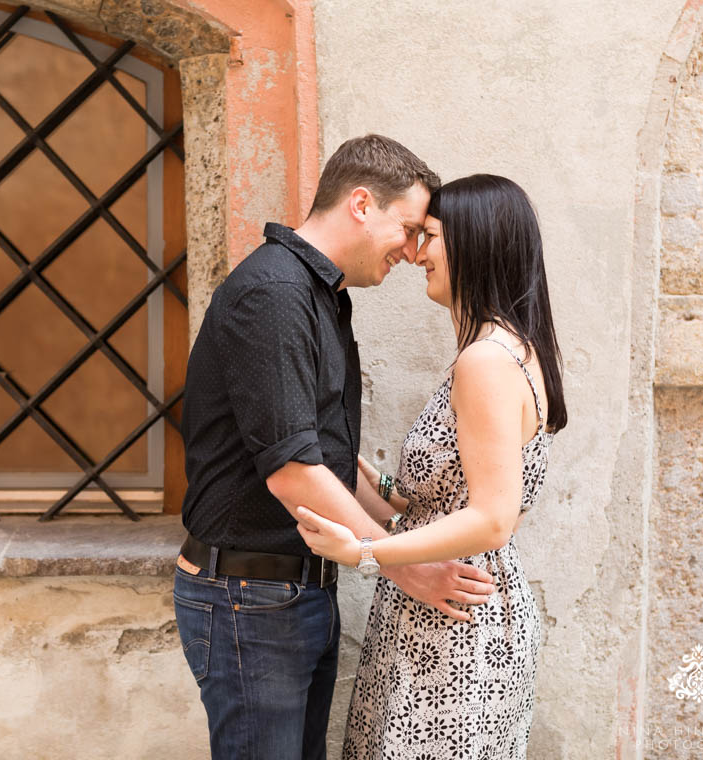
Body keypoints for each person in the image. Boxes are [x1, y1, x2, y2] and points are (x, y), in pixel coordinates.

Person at [173, 135, 501, 760]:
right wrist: (406, 568)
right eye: (407, 228)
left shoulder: (323, 295)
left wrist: (404, 526)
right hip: (249, 599)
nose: (412, 250)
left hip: (293, 593)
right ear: (359, 203)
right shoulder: (274, 292)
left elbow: (326, 457)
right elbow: (294, 472)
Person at [295, 174, 567, 759]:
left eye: (432, 236)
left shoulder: (486, 362)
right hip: (452, 618)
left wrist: (364, 553)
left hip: (456, 626)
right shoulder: (507, 349)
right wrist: (373, 479)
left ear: (476, 243)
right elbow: (453, 494)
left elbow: (493, 519)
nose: (417, 252)